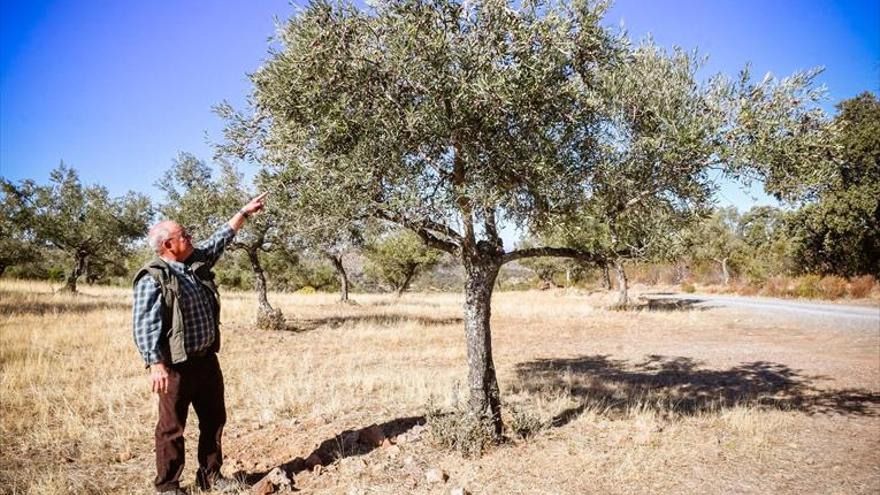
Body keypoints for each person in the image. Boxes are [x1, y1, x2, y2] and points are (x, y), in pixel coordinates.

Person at [132, 192, 268, 495]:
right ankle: (167, 486)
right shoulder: (153, 278)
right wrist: (156, 364)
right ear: (168, 245)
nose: (191, 237)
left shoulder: (193, 262)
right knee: (171, 429)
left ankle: (210, 476)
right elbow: (144, 324)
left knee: (214, 419)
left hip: (206, 361)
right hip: (176, 367)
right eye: (184, 235)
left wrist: (243, 212)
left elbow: (219, 239)